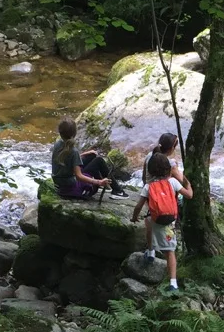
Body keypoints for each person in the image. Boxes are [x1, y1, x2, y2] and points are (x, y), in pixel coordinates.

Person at [132, 151, 192, 290]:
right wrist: (188, 183)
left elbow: (138, 206)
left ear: (150, 170)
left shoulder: (148, 187)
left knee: (148, 222)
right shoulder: (172, 182)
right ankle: (173, 283)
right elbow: (189, 195)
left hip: (155, 219)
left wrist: (134, 217)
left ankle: (151, 252)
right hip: (169, 222)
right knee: (170, 252)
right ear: (168, 168)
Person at [50, 118, 128, 199]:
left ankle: (107, 186)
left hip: (60, 183)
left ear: (60, 132)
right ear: (74, 133)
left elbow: (68, 159)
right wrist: (98, 182)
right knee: (99, 161)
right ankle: (117, 190)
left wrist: (85, 154)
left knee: (92, 156)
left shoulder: (58, 143)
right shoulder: (73, 151)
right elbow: (79, 176)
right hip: (70, 187)